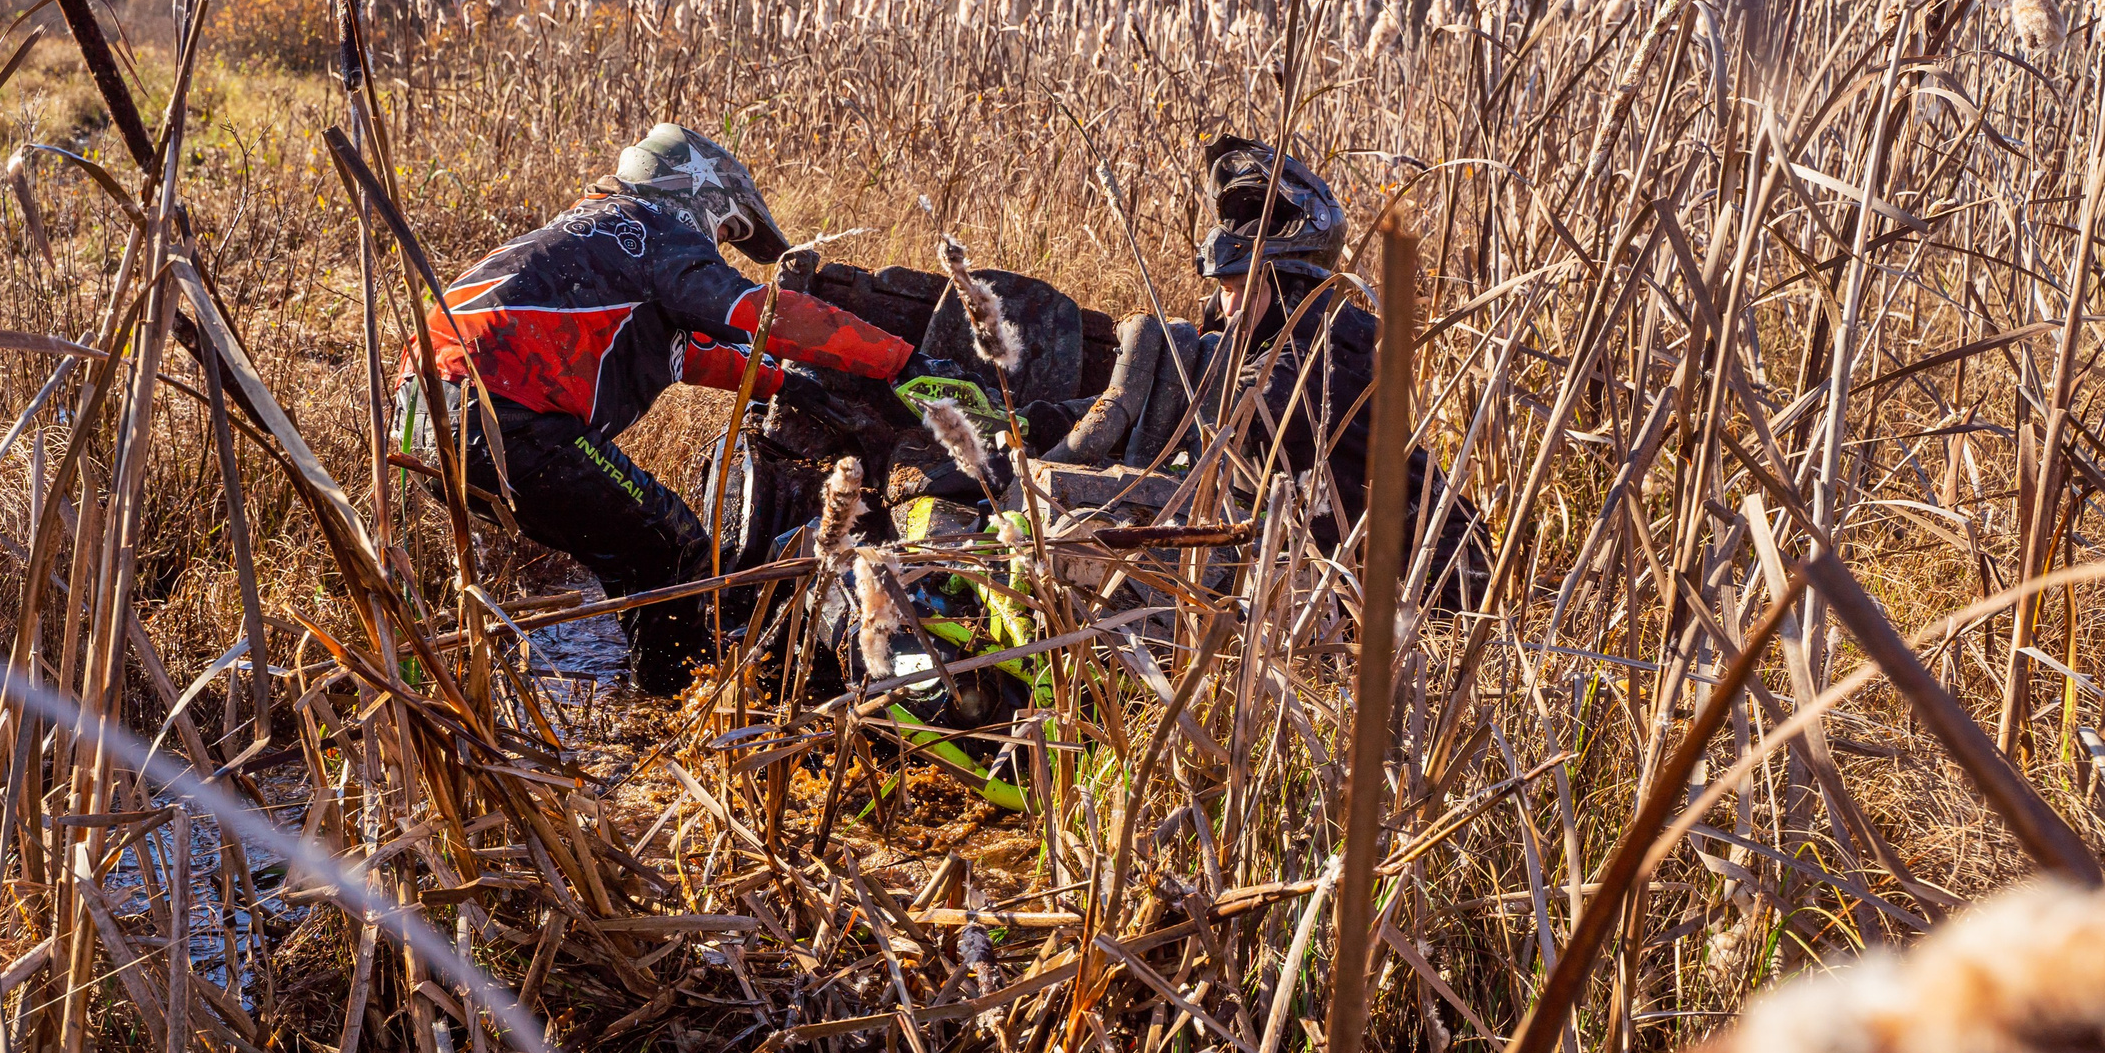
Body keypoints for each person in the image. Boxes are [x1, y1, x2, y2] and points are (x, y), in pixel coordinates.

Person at [406, 123, 966, 693]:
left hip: (423, 413)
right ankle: (681, 699)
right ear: (701, 194)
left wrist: (781, 384)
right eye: (725, 231)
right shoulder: (654, 229)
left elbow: (680, 352)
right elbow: (762, 312)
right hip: (502, 415)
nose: (717, 246)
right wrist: (898, 359)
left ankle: (647, 685)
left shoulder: (596, 236)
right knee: (671, 546)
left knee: (630, 547)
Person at [1033, 133, 1492, 609]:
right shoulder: (1262, 342)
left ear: (1287, 285)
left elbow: (1232, 411)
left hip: (1432, 591)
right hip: (1335, 581)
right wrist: (1043, 419)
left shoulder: (1331, 349)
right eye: (1225, 289)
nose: (1229, 305)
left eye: (1244, 289)